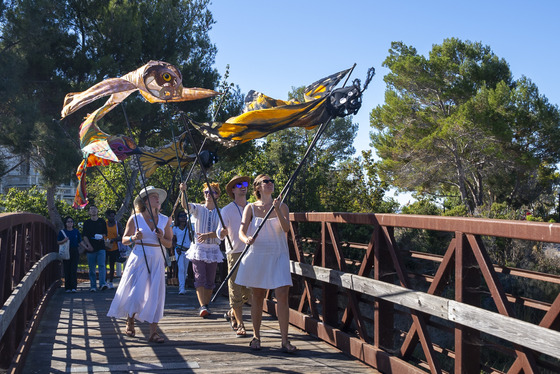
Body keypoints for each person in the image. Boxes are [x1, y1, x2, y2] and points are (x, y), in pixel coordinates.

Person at [237, 174, 297, 353]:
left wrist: (277, 209)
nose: (270, 184)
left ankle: (285, 340)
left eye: (272, 181)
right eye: (266, 182)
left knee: (283, 293)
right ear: (258, 187)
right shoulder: (250, 208)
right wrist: (246, 238)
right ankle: (256, 337)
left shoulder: (282, 206)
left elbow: (286, 229)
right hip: (258, 254)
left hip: (278, 254)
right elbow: (241, 230)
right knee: (258, 295)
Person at [107, 186, 173, 343]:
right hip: (139, 257)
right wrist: (133, 238)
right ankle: (130, 319)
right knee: (137, 293)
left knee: (155, 294)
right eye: (153, 196)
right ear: (145, 201)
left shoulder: (165, 219)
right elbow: (124, 239)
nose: (157, 199)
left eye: (158, 196)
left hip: (157, 257)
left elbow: (169, 244)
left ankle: (153, 332)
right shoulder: (135, 218)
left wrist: (161, 238)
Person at [180, 181, 224, 318]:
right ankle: (202, 306)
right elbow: (185, 206)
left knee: (210, 280)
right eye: (206, 192)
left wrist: (209, 235)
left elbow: (222, 231)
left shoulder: (221, 212)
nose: (209, 195)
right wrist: (183, 192)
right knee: (199, 277)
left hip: (213, 248)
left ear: (217, 195)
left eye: (213, 192)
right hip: (199, 248)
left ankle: (206, 304)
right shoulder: (198, 209)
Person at [216, 175, 252, 337]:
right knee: (235, 288)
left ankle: (232, 312)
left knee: (250, 291)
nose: (243, 186)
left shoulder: (252, 207)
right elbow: (219, 233)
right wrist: (222, 232)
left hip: (252, 252)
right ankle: (240, 323)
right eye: (238, 185)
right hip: (235, 252)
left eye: (244, 184)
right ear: (232, 189)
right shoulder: (226, 210)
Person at [81, 205, 108, 292]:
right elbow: (84, 236)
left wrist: (102, 237)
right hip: (91, 248)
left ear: (97, 211)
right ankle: (93, 286)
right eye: (91, 209)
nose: (93, 211)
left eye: (94, 209)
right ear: (89, 212)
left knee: (102, 265)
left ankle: (102, 284)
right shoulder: (87, 222)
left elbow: (105, 234)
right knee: (92, 268)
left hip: (101, 247)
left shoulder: (102, 221)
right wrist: (88, 245)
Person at [57, 216, 82, 293]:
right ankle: (67, 287)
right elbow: (58, 242)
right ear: (65, 223)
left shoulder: (76, 231)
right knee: (67, 269)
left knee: (73, 269)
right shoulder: (62, 232)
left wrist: (87, 247)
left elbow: (80, 242)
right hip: (66, 251)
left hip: (74, 251)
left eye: (71, 221)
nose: (70, 223)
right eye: (68, 222)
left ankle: (74, 287)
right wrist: (64, 240)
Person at [172, 210, 192, 295]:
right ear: (178, 218)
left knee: (185, 269)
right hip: (179, 249)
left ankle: (183, 285)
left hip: (188, 250)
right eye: (181, 216)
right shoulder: (175, 228)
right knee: (181, 268)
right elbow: (173, 240)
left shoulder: (189, 227)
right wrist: (175, 248)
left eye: (184, 216)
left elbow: (192, 238)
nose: (183, 217)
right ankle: (181, 288)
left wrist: (189, 228)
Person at [105, 209, 123, 289]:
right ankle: (104, 281)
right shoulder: (104, 224)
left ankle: (111, 281)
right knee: (103, 265)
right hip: (105, 247)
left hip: (114, 248)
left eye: (113, 216)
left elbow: (122, 236)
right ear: (107, 216)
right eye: (111, 216)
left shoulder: (117, 224)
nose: (112, 218)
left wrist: (114, 240)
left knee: (112, 265)